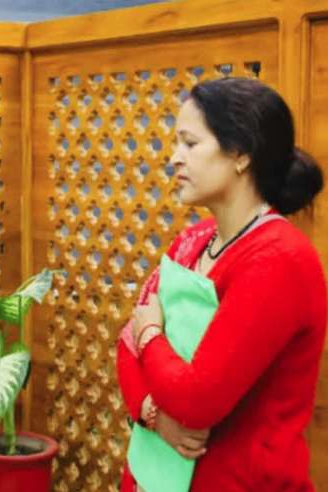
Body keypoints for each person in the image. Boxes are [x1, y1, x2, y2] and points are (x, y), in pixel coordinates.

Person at [117, 77, 326, 491]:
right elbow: (126, 349)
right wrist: (154, 414)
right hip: (155, 475)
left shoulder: (279, 260)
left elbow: (196, 399)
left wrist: (150, 333)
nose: (174, 158)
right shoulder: (193, 240)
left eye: (190, 144)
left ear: (241, 154)